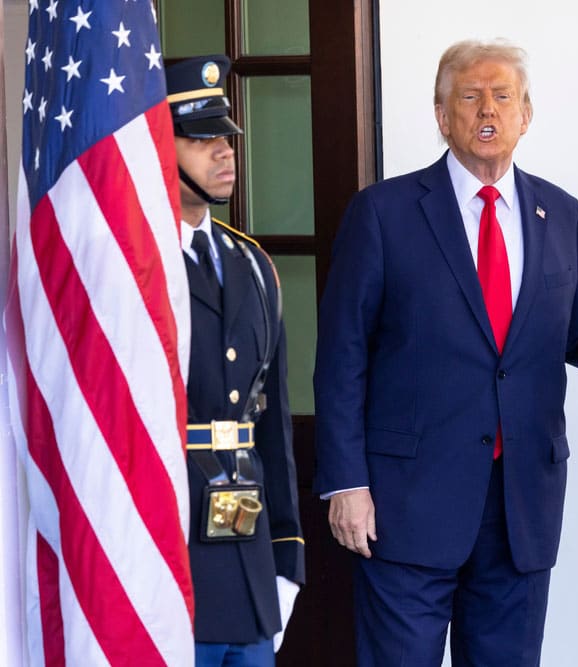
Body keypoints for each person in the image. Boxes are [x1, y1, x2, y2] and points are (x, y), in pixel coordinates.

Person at [313, 39, 578, 666]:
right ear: (442, 117)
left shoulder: (561, 214)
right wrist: (346, 482)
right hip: (404, 506)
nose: (487, 109)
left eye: (502, 96)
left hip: (520, 505)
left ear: (527, 114)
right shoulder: (384, 213)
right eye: (470, 97)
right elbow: (341, 357)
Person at [167, 55, 305, 666]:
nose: (224, 151)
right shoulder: (131, 262)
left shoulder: (251, 263)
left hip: (246, 555)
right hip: (166, 554)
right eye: (201, 138)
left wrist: (287, 556)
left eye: (226, 136)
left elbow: (269, 424)